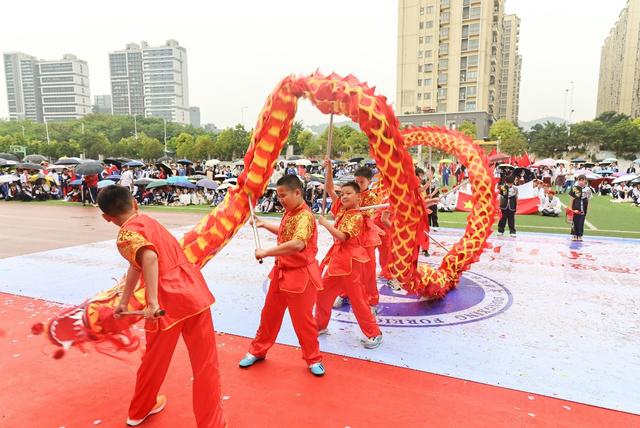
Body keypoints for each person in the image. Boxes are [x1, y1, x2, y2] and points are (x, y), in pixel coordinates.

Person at [96, 185, 225, 427]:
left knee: (154, 361)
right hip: (193, 294)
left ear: (107, 218)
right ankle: (212, 424)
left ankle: (139, 410)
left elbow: (149, 258)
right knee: (206, 365)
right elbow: (138, 263)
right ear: (135, 203)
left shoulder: (126, 234)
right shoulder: (148, 221)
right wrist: (124, 301)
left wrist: (153, 301)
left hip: (166, 304)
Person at [239, 175, 325, 377]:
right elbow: (285, 232)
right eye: (278, 196)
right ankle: (257, 350)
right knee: (269, 315)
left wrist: (266, 252)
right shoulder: (291, 213)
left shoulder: (305, 217)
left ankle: (313, 358)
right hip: (280, 273)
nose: (280, 199)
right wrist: (264, 224)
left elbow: (297, 243)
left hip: (300, 277)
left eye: (283, 195)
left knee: (303, 322)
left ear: (297, 192)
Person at [315, 181, 383, 349]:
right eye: (342, 194)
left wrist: (325, 224)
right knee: (323, 294)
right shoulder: (343, 212)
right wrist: (329, 167)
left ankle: (374, 333)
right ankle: (320, 325)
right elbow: (330, 188)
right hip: (337, 261)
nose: (344, 196)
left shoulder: (357, 217)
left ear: (358, 197)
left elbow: (343, 237)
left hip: (351, 263)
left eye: (348, 193)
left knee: (358, 300)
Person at [569, 174, 592, 241]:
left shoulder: (588, 189)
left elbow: (588, 199)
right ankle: (574, 235)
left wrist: (588, 208)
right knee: (574, 221)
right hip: (576, 205)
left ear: (585, 181)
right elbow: (572, 198)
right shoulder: (575, 188)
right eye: (580, 180)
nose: (581, 182)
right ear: (578, 181)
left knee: (581, 222)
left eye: (583, 180)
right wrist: (570, 207)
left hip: (584, 206)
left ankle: (580, 235)